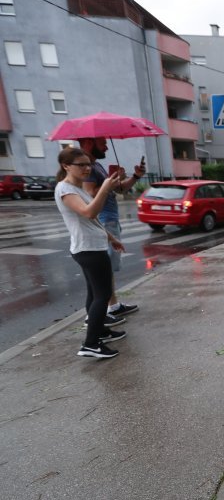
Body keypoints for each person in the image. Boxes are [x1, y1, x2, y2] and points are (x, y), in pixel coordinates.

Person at [55, 147, 127, 359]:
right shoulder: (65, 189)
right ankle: (91, 344)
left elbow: (93, 220)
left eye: (89, 164)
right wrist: (104, 188)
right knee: (102, 295)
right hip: (88, 249)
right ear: (66, 166)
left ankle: (100, 331)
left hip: (92, 246)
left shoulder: (76, 188)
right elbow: (89, 212)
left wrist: (111, 238)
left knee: (94, 294)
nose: (87, 168)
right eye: (81, 165)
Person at [79, 137, 145, 323]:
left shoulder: (97, 165)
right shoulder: (88, 169)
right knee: (103, 269)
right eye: (102, 143)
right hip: (103, 220)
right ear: (89, 143)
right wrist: (111, 182)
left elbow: (120, 190)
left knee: (108, 268)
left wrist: (135, 177)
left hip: (110, 220)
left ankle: (113, 306)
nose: (107, 146)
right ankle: (99, 313)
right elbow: (91, 193)